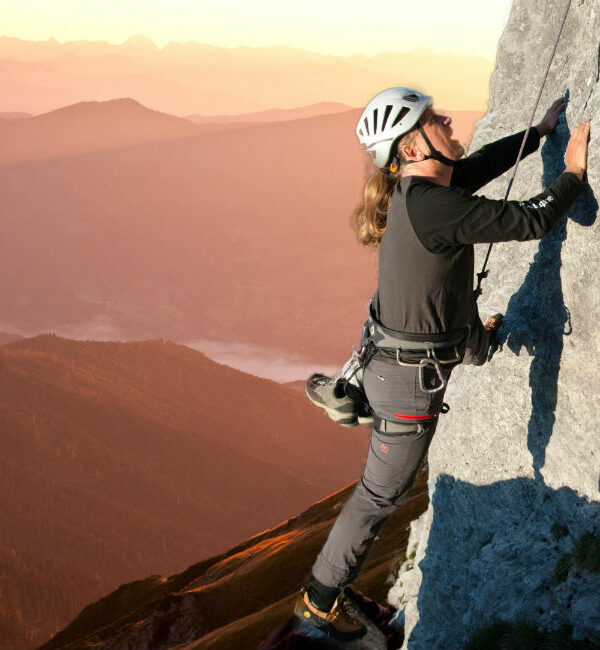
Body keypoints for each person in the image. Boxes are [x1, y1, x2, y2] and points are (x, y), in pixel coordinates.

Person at [293, 87, 590, 640]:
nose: (449, 121)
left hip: (397, 364)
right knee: (379, 494)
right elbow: (530, 222)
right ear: (412, 147)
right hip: (407, 386)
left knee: (382, 486)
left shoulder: (424, 194)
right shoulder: (433, 206)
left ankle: (456, 356)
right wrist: (572, 172)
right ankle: (318, 598)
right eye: (435, 120)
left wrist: (542, 131)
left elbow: (475, 165)